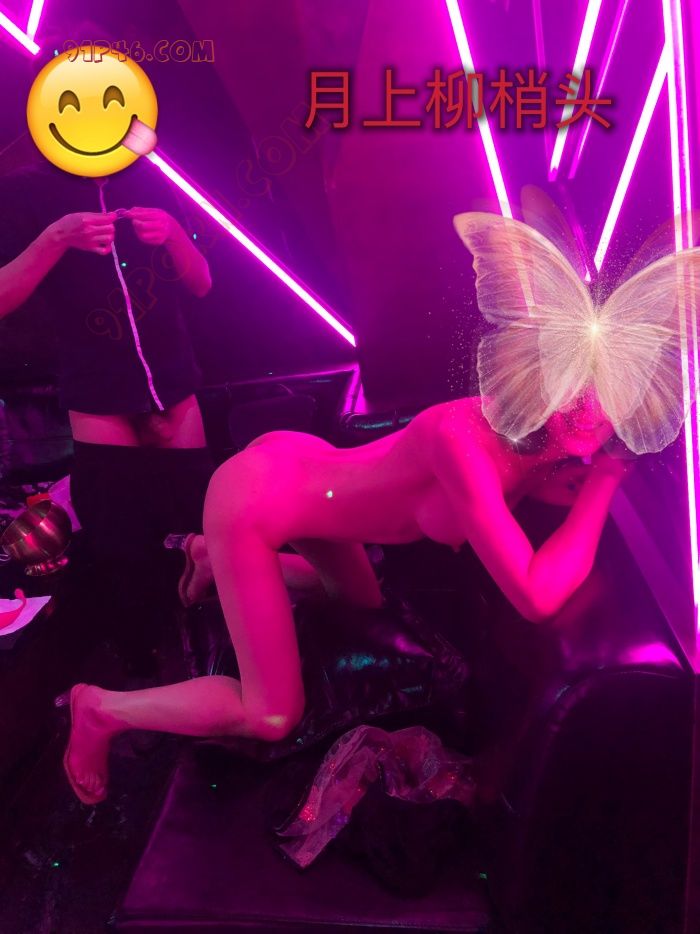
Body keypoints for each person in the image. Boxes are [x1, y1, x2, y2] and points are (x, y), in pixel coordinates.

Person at [60, 387, 629, 803]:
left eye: (610, 397)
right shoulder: (464, 440)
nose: (590, 411)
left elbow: (534, 500)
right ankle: (103, 709)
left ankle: (211, 555)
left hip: (301, 471)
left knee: (361, 601)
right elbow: (536, 596)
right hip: (254, 503)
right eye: (578, 388)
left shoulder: (531, 436)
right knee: (272, 714)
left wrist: (581, 478)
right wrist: (607, 478)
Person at [0, 154, 215, 670]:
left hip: (177, 393)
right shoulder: (24, 187)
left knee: (203, 544)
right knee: (126, 558)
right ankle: (145, 679)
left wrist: (174, 235)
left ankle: (214, 665)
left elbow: (202, 282)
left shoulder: (150, 174)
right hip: (99, 400)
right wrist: (54, 239)